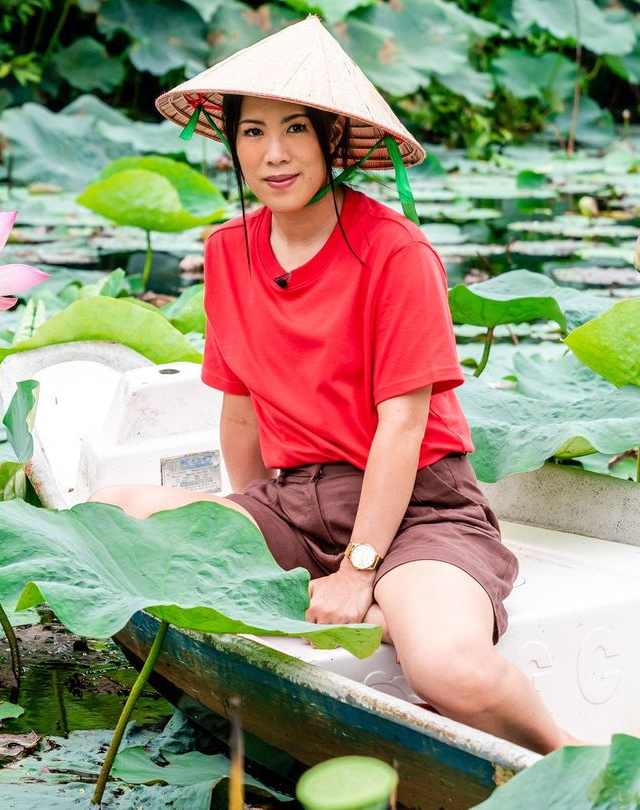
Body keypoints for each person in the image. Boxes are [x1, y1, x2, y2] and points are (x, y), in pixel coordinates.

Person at [88, 15, 579, 754]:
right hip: (294, 502)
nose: (274, 154)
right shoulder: (227, 252)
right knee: (111, 515)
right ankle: (357, 604)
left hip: (418, 511)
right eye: (253, 132)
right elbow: (241, 415)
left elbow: (403, 426)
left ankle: (579, 764)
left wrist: (357, 569)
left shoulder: (397, 253)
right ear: (232, 144)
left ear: (334, 141)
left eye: (296, 129)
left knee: (449, 670)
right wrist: (251, 534)